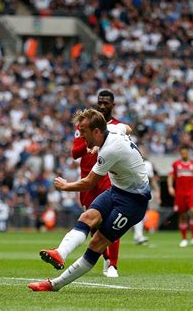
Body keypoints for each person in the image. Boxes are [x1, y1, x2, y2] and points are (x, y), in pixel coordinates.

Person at [28, 108, 150, 292]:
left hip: (133, 202)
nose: (80, 135)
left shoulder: (110, 149)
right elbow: (128, 128)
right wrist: (97, 145)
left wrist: (65, 186)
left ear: (96, 131)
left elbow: (89, 182)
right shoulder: (113, 129)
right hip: (117, 190)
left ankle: (55, 284)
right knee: (87, 217)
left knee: (97, 243)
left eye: (83, 131)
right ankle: (59, 253)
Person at [71, 89, 122, 277]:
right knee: (92, 223)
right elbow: (75, 153)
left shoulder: (117, 126)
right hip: (87, 179)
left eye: (106, 102)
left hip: (107, 177)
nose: (102, 105)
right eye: (99, 102)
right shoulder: (84, 126)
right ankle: (106, 258)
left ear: (112, 104)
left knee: (112, 221)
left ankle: (113, 265)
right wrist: (90, 142)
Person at [167, 144, 193, 247]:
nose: (184, 154)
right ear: (180, 153)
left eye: (185, 152)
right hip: (180, 193)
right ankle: (184, 239)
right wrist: (170, 187)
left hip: (192, 192)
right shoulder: (176, 164)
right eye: (182, 152)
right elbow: (171, 177)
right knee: (183, 215)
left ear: (188, 152)